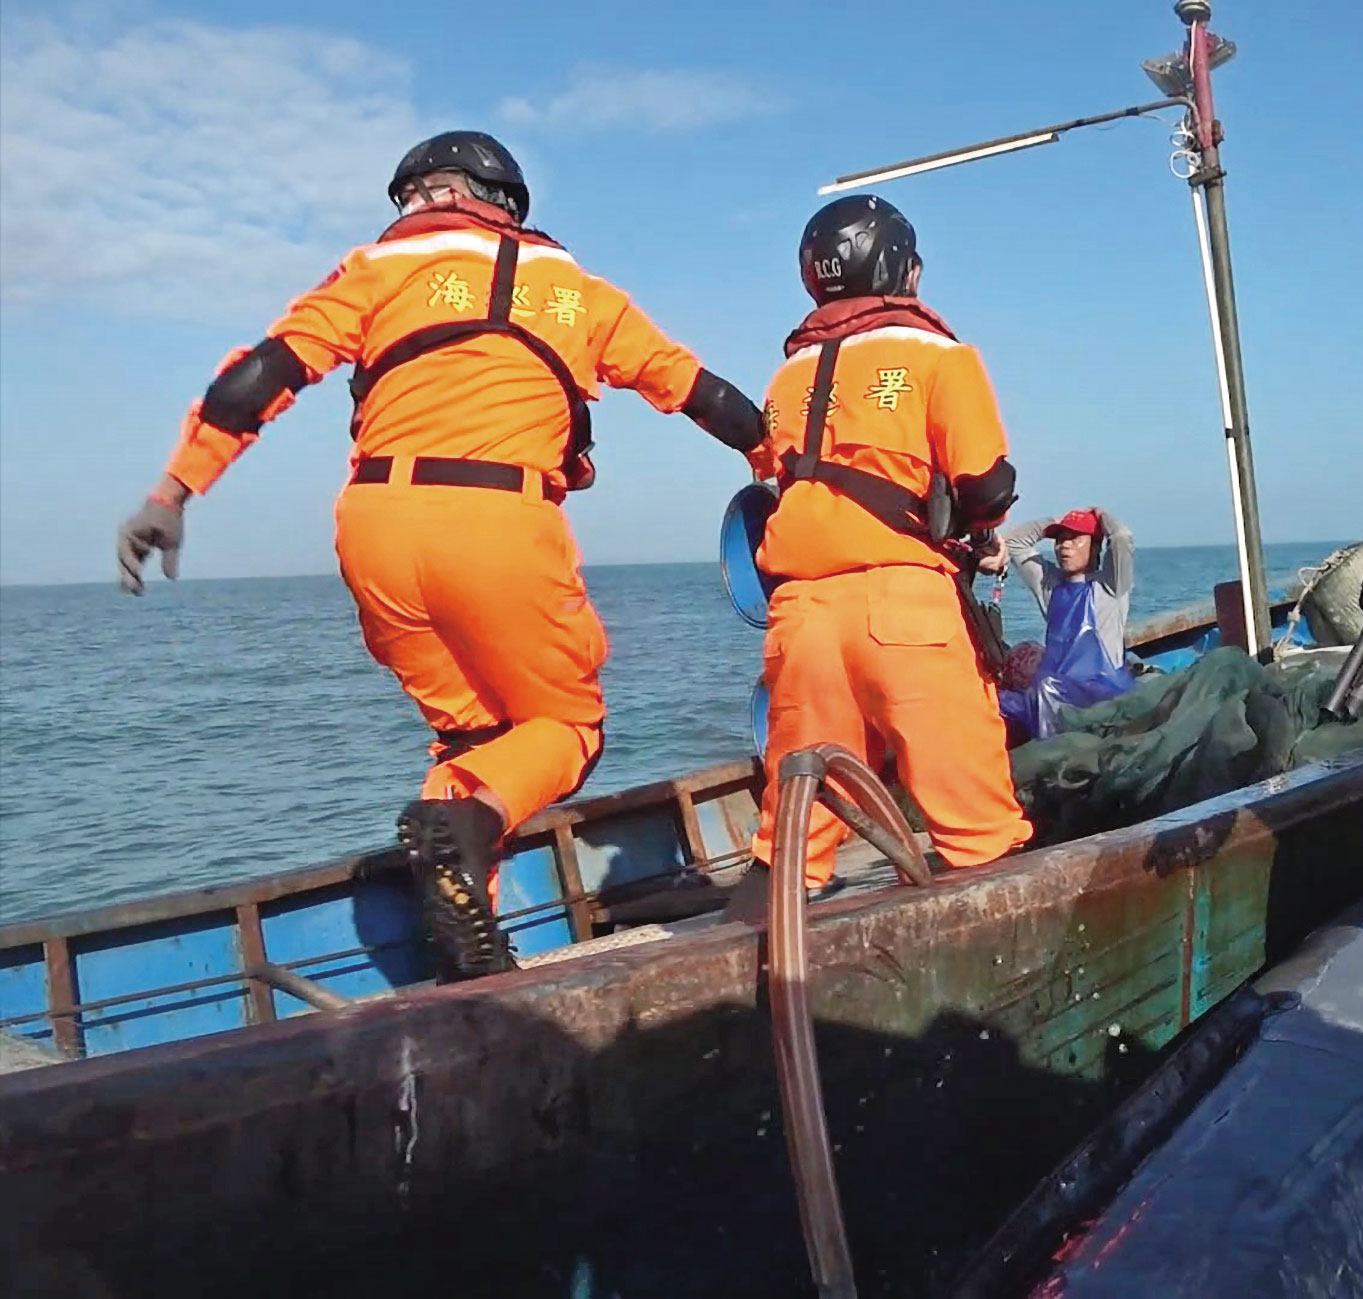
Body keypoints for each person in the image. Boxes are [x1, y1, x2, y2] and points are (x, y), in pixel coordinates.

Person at [114, 131, 766, 981]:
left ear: (416, 199)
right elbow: (702, 394)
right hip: (498, 518)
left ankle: (469, 949)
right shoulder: (575, 293)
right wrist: (772, 462)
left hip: (374, 526)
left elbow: (258, 376)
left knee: (470, 734)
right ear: (507, 202)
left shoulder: (373, 273)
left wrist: (172, 492)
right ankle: (467, 831)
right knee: (567, 728)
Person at [739, 194, 1033, 899]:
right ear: (905, 269)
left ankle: (757, 957)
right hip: (905, 606)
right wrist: (975, 527)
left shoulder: (788, 375)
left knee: (792, 836)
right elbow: (986, 484)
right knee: (978, 830)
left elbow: (772, 476)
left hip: (799, 617)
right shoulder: (941, 357)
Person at [986, 507, 1137, 740]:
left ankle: (1049, 752)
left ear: (1095, 546)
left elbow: (1121, 538)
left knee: (1046, 687)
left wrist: (1101, 515)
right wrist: (1056, 522)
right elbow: (1013, 542)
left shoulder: (1110, 585)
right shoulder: (1049, 584)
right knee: (990, 699)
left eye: (1075, 539)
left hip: (1101, 690)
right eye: (1060, 539)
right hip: (1054, 691)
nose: (1064, 546)